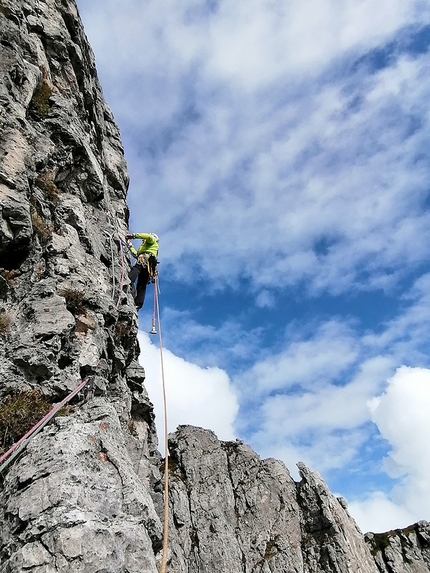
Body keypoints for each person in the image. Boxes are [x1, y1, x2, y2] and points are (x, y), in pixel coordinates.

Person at [125, 232, 159, 310]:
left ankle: (128, 281)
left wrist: (133, 236)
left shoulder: (152, 242)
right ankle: (138, 303)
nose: (143, 240)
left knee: (136, 269)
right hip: (148, 265)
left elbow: (148, 237)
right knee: (141, 284)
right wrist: (130, 245)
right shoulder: (146, 247)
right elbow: (136, 254)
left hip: (145, 260)